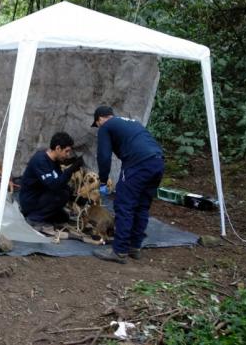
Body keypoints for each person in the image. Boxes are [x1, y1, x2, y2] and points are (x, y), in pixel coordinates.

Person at [91, 106, 165, 264]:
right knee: (142, 206)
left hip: (138, 164)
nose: (98, 127)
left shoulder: (106, 127)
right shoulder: (132, 123)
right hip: (157, 162)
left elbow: (104, 156)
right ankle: (134, 247)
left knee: (124, 205)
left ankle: (119, 251)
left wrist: (103, 180)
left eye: (97, 124)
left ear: (99, 120)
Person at [19, 132, 84, 230]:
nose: (68, 155)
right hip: (31, 200)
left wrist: (77, 199)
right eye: (66, 151)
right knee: (62, 194)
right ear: (58, 148)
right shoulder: (40, 160)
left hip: (42, 196)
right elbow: (54, 185)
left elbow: (61, 181)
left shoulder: (55, 162)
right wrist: (70, 170)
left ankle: (39, 215)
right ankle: (34, 219)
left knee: (63, 217)